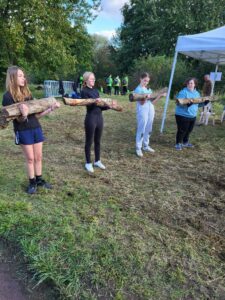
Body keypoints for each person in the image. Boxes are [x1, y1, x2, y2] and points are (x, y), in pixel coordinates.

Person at [2, 66, 60, 194]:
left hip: (36, 128)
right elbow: (18, 120)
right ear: (12, 78)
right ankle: (32, 182)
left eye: (24, 75)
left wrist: (51, 109)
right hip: (23, 130)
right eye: (20, 76)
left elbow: (36, 115)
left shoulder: (27, 93)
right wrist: (23, 114)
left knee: (38, 157)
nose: (24, 78)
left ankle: (39, 180)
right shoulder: (7, 97)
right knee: (30, 158)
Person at [81, 72, 117, 173]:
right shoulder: (84, 91)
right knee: (89, 141)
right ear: (86, 80)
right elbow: (90, 105)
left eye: (94, 79)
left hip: (99, 118)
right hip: (91, 118)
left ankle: (97, 160)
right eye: (91, 79)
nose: (93, 80)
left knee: (98, 141)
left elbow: (100, 107)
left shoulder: (96, 91)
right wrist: (95, 101)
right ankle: (88, 163)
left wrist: (109, 106)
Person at [135, 72, 166, 157]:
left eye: (147, 81)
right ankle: (138, 147)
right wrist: (146, 97)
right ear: (140, 79)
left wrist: (160, 96)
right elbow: (141, 103)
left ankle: (145, 145)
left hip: (150, 109)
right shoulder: (138, 90)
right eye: (144, 80)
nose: (146, 82)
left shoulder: (148, 89)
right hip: (142, 110)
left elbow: (153, 102)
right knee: (142, 127)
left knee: (149, 128)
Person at [175, 77, 209, 150]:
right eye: (188, 83)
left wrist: (204, 103)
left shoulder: (197, 93)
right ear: (186, 84)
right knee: (182, 130)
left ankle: (185, 142)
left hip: (192, 115)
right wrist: (186, 104)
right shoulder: (183, 92)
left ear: (195, 84)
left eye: (191, 83)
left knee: (189, 130)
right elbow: (179, 104)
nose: (190, 84)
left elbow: (198, 104)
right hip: (182, 115)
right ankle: (178, 143)